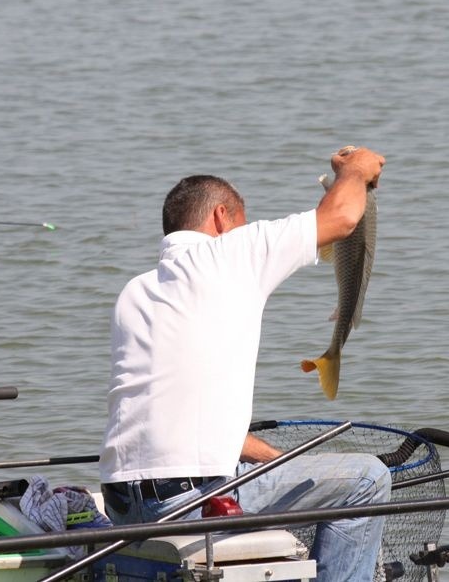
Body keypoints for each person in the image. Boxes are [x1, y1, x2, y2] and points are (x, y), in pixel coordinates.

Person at [99, 146, 391, 582]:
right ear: (221, 217)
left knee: (296, 474)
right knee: (369, 477)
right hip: (191, 499)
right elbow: (343, 218)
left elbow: (182, 413)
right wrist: (356, 169)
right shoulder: (230, 256)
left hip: (125, 502)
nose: (247, 231)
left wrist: (274, 458)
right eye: (242, 221)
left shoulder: (136, 292)